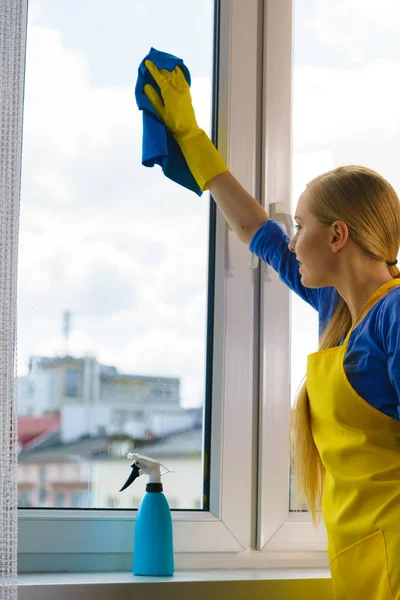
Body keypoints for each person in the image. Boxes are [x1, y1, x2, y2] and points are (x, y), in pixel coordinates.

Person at [143, 60, 400, 600]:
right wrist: (190, 137)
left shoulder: (394, 317)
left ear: (338, 237)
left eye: (302, 225)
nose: (292, 239)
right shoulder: (342, 312)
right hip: (366, 566)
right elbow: (254, 229)